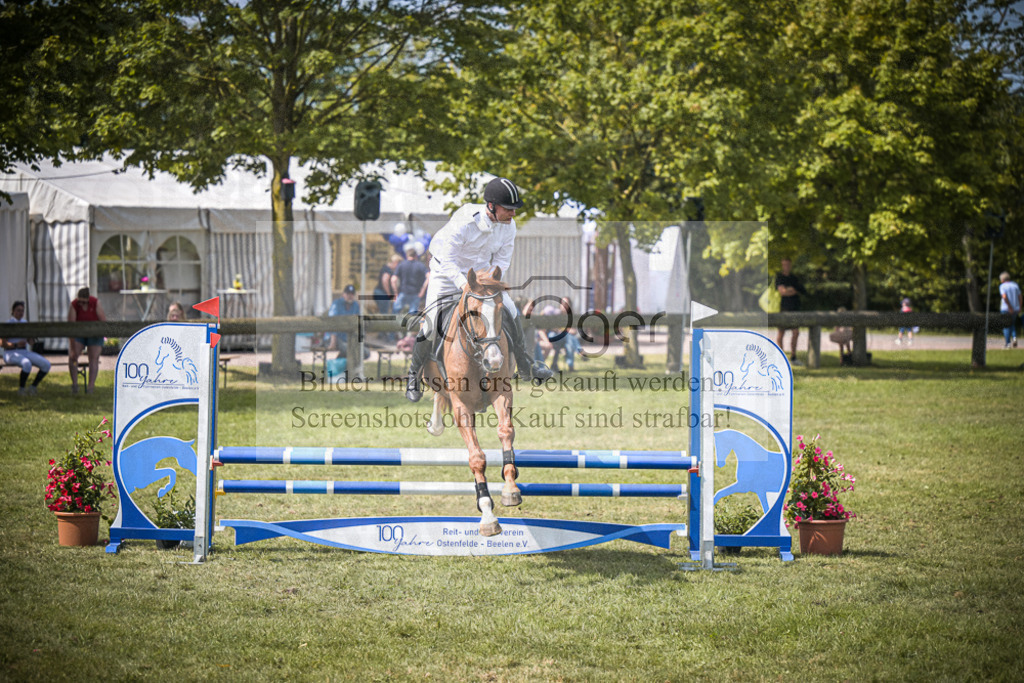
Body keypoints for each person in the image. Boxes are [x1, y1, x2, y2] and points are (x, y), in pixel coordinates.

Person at [405, 176, 553, 401]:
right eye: (509, 209)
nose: (513, 214)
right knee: (431, 323)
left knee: (511, 310)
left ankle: (526, 364)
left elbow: (502, 261)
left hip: (482, 275)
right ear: (491, 206)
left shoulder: (508, 226)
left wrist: (491, 281)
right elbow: (447, 260)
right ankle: (413, 375)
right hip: (446, 274)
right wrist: (465, 285)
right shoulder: (464, 221)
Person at [3, 301, 50, 396]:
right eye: (18, 310)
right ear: (13, 311)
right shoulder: (8, 324)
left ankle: (33, 387)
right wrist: (15, 345)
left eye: (22, 311)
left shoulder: (25, 323)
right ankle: (21, 389)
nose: (20, 313)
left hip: (24, 351)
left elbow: (30, 341)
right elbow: (2, 343)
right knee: (26, 363)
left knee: (46, 364)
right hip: (10, 352)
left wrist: (32, 338)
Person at [68, 287, 106, 395]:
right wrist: (73, 348)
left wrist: (101, 333)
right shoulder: (74, 305)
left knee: (93, 358)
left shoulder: (95, 303)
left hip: (94, 334)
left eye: (83, 302)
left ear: (88, 299)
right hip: (79, 334)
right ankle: (75, 385)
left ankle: (90, 387)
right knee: (73, 358)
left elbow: (103, 321)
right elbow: (70, 327)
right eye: (79, 301)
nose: (81, 304)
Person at [774, 257, 806, 362]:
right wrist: (790, 290)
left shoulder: (794, 278)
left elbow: (799, 290)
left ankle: (793, 356)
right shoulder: (779, 278)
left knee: (796, 332)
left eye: (788, 264)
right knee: (781, 333)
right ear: (782, 265)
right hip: (783, 309)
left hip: (794, 308)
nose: (786, 267)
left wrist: (789, 290)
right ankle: (781, 356)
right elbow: (782, 291)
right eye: (784, 265)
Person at [392, 242, 429, 315]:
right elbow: (429, 277)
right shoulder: (420, 265)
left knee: (395, 314)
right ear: (416, 256)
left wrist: (395, 292)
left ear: (406, 255)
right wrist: (422, 290)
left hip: (403, 292)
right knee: (412, 317)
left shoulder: (401, 264)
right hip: (415, 293)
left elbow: (393, 279)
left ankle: (393, 326)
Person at [327, 284, 360, 358]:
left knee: (365, 353)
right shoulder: (336, 304)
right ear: (343, 294)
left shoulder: (356, 305)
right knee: (349, 350)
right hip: (334, 337)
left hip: (348, 338)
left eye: (352, 294)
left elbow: (359, 322)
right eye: (348, 294)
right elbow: (332, 321)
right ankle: (338, 364)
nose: (350, 296)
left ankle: (340, 363)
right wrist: (333, 340)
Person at [999, 272, 1022, 349]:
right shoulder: (1015, 285)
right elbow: (1020, 296)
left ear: (1002, 279)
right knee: (1012, 324)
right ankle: (1014, 337)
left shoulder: (1003, 286)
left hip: (1006, 308)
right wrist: (1019, 306)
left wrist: (1009, 307)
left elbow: (1004, 296)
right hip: (1016, 308)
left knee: (1006, 325)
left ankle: (1007, 344)